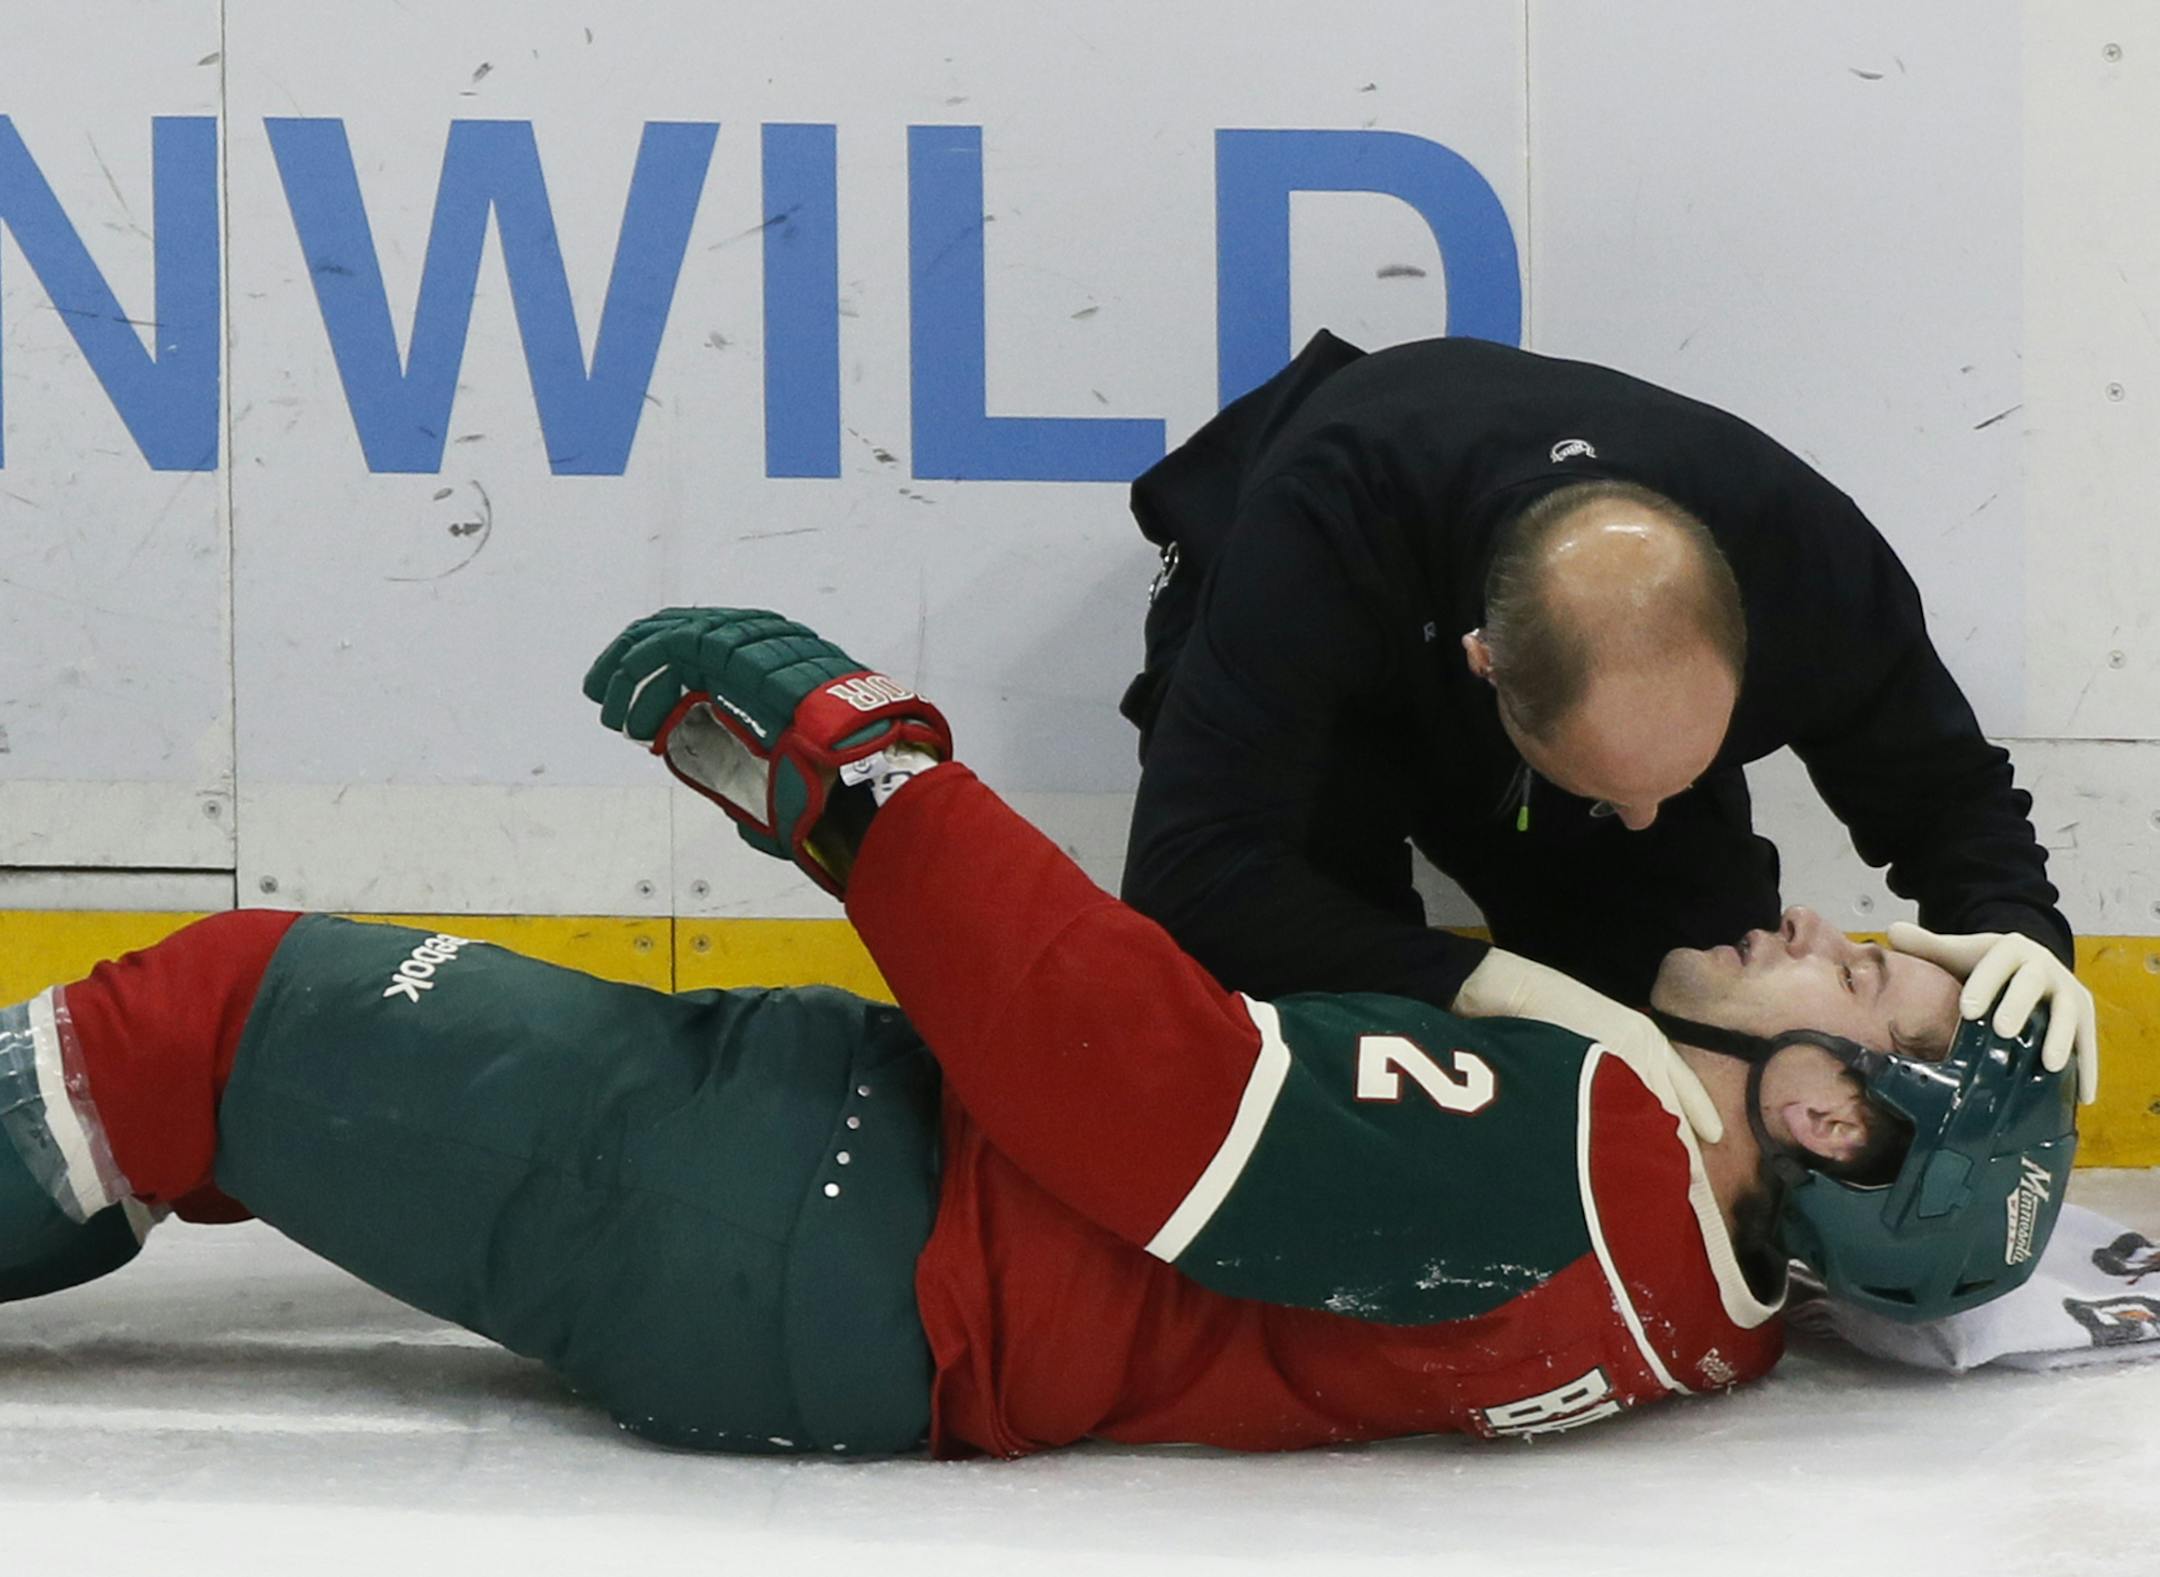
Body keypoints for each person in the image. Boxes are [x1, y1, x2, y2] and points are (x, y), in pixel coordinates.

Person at [0, 607, 2076, 1459]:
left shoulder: (1577, 1151)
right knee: (255, 1102)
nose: (1818, 924)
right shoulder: (1700, 1301)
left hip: (804, 1228)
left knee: (220, 1019)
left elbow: (1151, 1099)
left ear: (1821, 1107)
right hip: (842, 1246)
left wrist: (876, 787)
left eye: (1862, 973)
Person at [1117, 331, 2098, 1101]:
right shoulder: (1321, 529)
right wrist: (1473, 984)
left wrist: (2019, 930)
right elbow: (1194, 869)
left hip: (1529, 627)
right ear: (1486, 666)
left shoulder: (1804, 560)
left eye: (1676, 775)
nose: (1641, 817)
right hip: (1332, 647)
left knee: (1712, 1017)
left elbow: (1942, 791)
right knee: (1339, 1042)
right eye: (1608, 785)